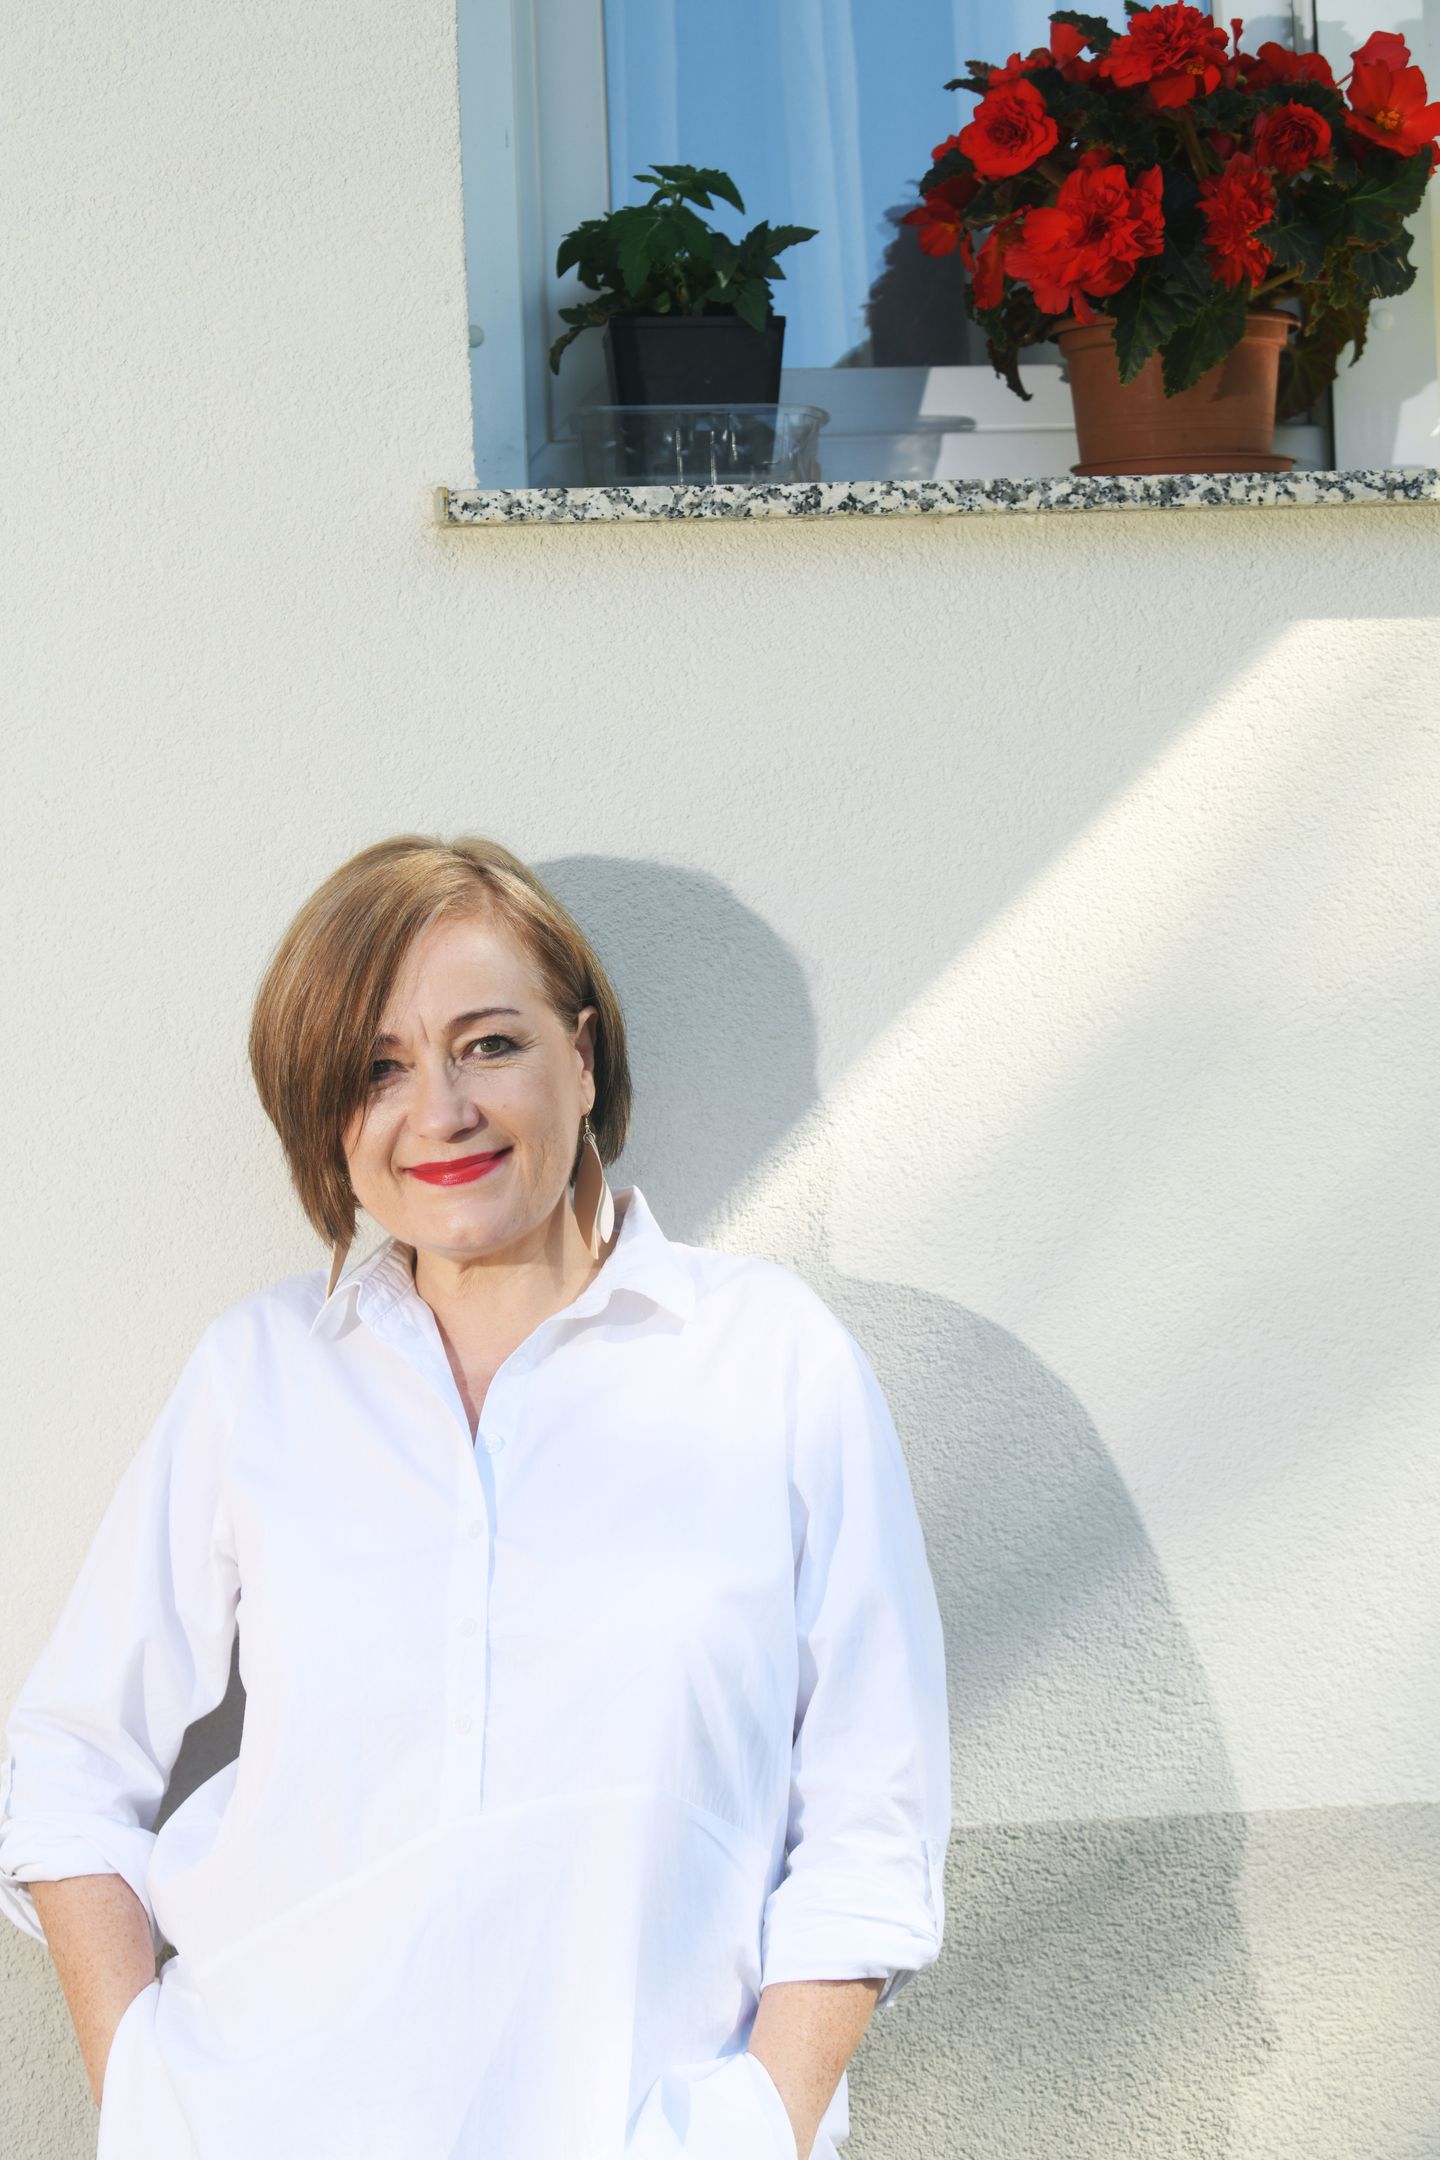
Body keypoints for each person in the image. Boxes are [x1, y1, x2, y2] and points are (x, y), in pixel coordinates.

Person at [0, 833, 952, 2160]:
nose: (439, 1111)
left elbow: (873, 1806)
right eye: (376, 1069)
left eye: (488, 1045)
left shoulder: (769, 1360)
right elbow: (66, 1764)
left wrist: (755, 2125)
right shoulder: (259, 1376)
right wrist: (146, 2092)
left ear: (583, 1055)